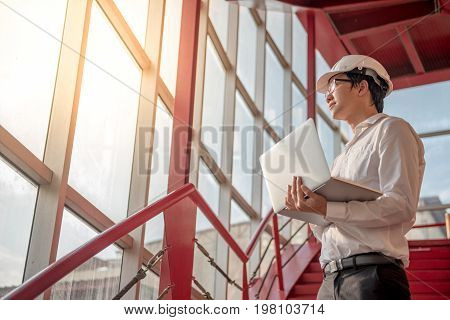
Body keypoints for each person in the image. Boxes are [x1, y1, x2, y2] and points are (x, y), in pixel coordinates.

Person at [285, 55, 425, 300]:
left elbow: (401, 206)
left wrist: (329, 209)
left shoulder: (392, 130)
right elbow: (329, 228)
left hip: (373, 277)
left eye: (334, 85)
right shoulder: (340, 159)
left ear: (362, 86)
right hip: (330, 281)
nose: (327, 95)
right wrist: (310, 211)